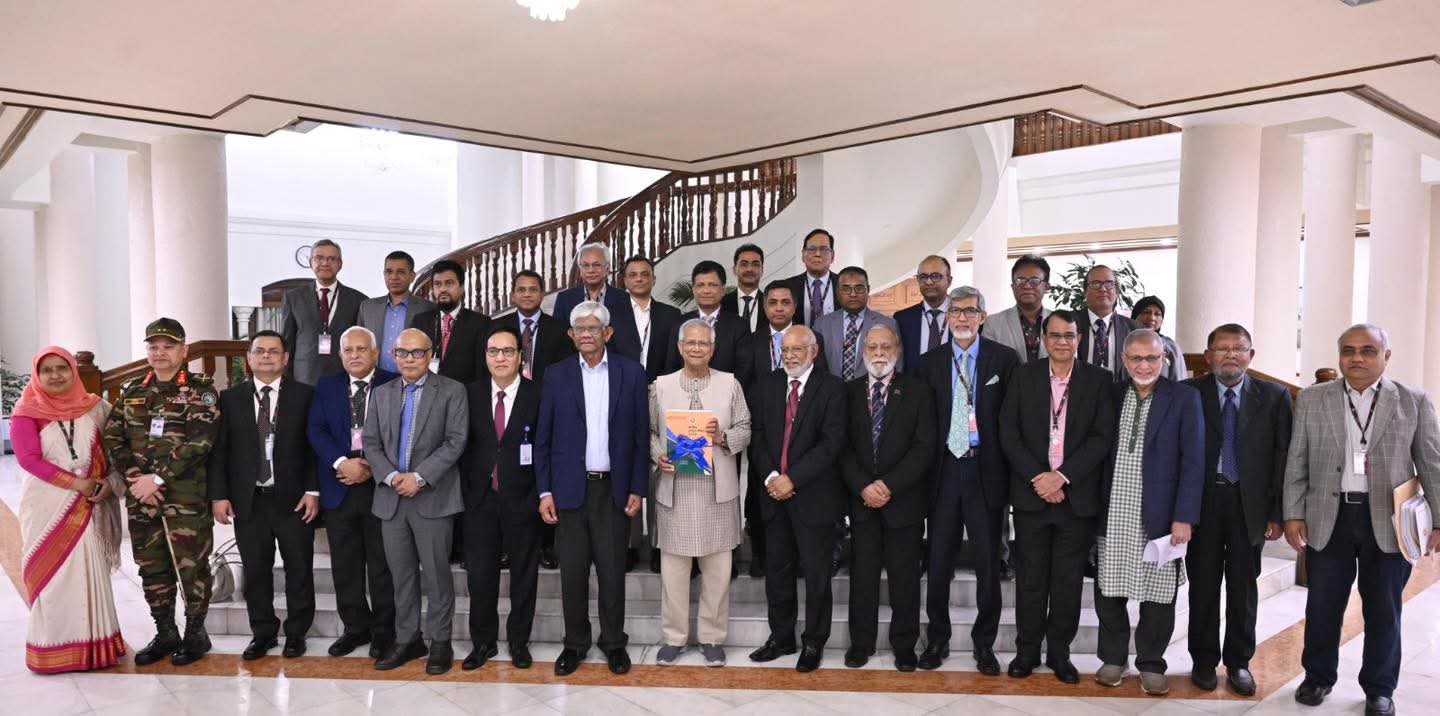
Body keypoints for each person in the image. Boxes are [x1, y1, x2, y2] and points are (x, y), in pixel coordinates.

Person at [1283, 324, 1440, 716]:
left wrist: (1438, 520)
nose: (1357, 358)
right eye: (1349, 350)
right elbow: (1297, 460)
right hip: (1329, 516)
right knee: (1322, 606)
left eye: (1368, 350)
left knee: (1384, 609)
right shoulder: (1313, 398)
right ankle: (1317, 677)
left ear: (1386, 356)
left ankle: (1380, 688)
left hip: (1389, 521)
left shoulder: (1413, 401)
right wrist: (1293, 513)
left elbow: (1432, 463)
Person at [999, 310, 1115, 683]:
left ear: (1079, 339)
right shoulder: (1023, 375)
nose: (1062, 342)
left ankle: (1059, 654)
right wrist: (1039, 477)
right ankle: (1027, 651)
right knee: (1030, 579)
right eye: (1055, 335)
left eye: (1069, 335)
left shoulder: (1099, 380)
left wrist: (1062, 477)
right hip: (1031, 494)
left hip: (1075, 498)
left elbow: (1101, 437)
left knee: (1067, 582)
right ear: (1043, 339)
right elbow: (1008, 431)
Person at [535, 301, 649, 676]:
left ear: (607, 333)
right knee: (573, 574)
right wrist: (545, 491)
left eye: (593, 328)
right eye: (580, 329)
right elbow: (544, 438)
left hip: (613, 490)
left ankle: (614, 643)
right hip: (568, 490)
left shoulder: (631, 373)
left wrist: (638, 487)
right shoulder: (556, 374)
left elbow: (640, 437)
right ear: (571, 335)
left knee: (613, 572)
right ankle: (575, 644)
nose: (586, 334)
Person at [103, 318, 221, 667]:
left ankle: (196, 633)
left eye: (168, 346)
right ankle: (165, 631)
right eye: (153, 346)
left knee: (191, 566)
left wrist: (157, 479)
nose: (160, 352)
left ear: (184, 351)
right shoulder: (131, 391)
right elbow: (113, 438)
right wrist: (137, 479)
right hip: (142, 498)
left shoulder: (201, 391)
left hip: (185, 497)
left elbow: (200, 442)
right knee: (151, 566)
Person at [1092, 330, 1204, 696]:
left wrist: (1184, 516)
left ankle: (1152, 663)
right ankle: (1113, 658)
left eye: (1152, 358)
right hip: (1114, 511)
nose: (1144, 365)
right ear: (1124, 361)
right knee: (1109, 590)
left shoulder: (1184, 398)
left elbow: (1194, 461)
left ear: (1164, 360)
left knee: (1158, 594)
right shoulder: (1110, 394)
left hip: (1161, 516)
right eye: (1136, 358)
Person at [1183, 323, 1293, 696]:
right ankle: (1202, 661)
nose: (1230, 354)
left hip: (1250, 505)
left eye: (1239, 348)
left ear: (1251, 355)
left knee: (1244, 588)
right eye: (1222, 348)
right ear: (1208, 355)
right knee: (1203, 585)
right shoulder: (1188, 393)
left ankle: (1239, 662)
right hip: (1203, 503)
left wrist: (1277, 513)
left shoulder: (1275, 396)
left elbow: (1282, 457)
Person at [919, 287, 1019, 674]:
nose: (962, 317)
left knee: (988, 563)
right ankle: (937, 639)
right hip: (944, 471)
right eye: (955, 311)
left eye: (970, 311)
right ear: (946, 318)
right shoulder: (928, 363)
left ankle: (984, 643)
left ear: (982, 316)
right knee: (939, 561)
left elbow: (1012, 419)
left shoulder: (1003, 360)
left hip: (985, 471)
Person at [12, 347, 125, 673]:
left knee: (89, 571)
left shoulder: (96, 407)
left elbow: (118, 449)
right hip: (47, 504)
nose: (55, 375)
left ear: (73, 370)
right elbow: (28, 460)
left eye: (61, 368)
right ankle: (53, 649)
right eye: (46, 370)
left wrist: (107, 484)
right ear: (37, 374)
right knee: (53, 577)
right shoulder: (26, 411)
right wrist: (78, 484)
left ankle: (96, 646)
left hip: (89, 505)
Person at [208, 331, 319, 660]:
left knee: (299, 568)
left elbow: (315, 449)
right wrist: (219, 495)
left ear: (285, 358)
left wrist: (313, 490)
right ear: (249, 358)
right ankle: (263, 632)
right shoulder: (230, 399)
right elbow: (220, 452)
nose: (266, 356)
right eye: (260, 351)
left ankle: (296, 633)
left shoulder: (305, 396)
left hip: (295, 499)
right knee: (256, 570)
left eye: (273, 351)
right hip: (249, 500)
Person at [364, 328, 469, 675]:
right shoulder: (381, 393)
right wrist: (392, 477)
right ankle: (408, 638)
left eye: (417, 352)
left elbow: (455, 441)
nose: (409, 359)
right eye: (403, 353)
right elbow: (370, 442)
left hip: (433, 498)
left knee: (437, 576)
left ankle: (440, 641)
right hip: (391, 498)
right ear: (393, 356)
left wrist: (419, 477)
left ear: (430, 354)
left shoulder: (452, 391)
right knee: (401, 576)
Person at [649, 319, 752, 667]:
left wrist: (722, 436)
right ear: (680, 348)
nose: (696, 348)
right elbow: (649, 431)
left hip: (716, 492)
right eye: (690, 343)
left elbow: (745, 428)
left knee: (718, 572)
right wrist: (658, 456)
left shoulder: (730, 384)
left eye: (703, 343)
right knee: (674, 573)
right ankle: (674, 637)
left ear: (713, 349)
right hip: (676, 490)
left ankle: (711, 638)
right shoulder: (661, 386)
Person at [747, 326, 847, 673]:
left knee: (817, 576)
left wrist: (793, 478)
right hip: (774, 496)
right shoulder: (767, 386)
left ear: (813, 351)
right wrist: (772, 478)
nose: (789, 356)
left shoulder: (833, 388)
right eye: (785, 349)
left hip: (814, 498)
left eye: (797, 350)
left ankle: (814, 641)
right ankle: (781, 637)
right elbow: (757, 437)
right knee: (777, 573)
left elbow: (832, 444)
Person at [841, 324, 935, 671]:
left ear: (897, 350)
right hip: (862, 501)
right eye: (872, 347)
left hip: (903, 501)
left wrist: (888, 486)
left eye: (886, 346)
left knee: (904, 578)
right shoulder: (848, 392)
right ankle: (860, 643)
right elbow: (841, 447)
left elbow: (924, 447)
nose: (879, 353)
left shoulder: (918, 391)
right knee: (862, 577)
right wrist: (864, 486)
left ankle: (905, 645)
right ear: (862, 351)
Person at [306, 325, 397, 659]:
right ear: (340, 354)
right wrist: (342, 462)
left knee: (382, 565)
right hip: (339, 485)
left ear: (375, 353)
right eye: (348, 350)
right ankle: (355, 627)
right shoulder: (327, 386)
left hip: (380, 487)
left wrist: (371, 466)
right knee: (345, 565)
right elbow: (316, 430)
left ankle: (384, 632)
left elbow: (401, 432)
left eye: (361, 349)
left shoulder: (393, 383)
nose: (355, 355)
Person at [459, 325, 541, 670]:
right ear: (486, 357)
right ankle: (483, 642)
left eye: (508, 351)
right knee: (480, 576)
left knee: (524, 574)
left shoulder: (538, 394)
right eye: (494, 351)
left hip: (523, 497)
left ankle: (519, 642)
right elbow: (461, 445)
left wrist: (541, 494)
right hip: (480, 499)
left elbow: (546, 446)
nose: (500, 358)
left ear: (520, 356)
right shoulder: (470, 393)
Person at [494, 269, 573, 569]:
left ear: (542, 294)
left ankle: (546, 545)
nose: (527, 294)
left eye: (533, 289)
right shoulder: (497, 327)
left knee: (542, 475)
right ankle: (505, 545)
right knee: (508, 474)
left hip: (545, 408)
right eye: (521, 289)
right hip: (507, 408)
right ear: (513, 294)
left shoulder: (559, 329)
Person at [281, 239, 367, 385]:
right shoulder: (294, 298)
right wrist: (286, 381)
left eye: (331, 258)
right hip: (303, 377)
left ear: (340, 264)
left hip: (343, 377)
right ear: (310, 262)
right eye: (319, 258)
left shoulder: (358, 300)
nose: (325, 263)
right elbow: (287, 343)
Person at [552, 242, 641, 361]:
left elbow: (629, 343)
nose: (591, 270)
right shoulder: (565, 299)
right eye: (585, 265)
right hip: (575, 364)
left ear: (607, 268)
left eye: (596, 265)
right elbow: (557, 342)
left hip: (612, 364)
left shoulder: (623, 298)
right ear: (580, 269)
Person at [813, 266, 901, 382]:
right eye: (846, 289)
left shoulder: (888, 324)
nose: (853, 294)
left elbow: (897, 365)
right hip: (830, 390)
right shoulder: (822, 324)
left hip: (870, 389)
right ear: (837, 292)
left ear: (868, 289)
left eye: (859, 288)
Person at [412, 259, 491, 387]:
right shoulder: (420, 321)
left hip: (464, 394)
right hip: (425, 393)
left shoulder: (481, 324)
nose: (443, 289)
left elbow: (482, 372)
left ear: (461, 287)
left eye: (449, 283)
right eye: (438, 284)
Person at [358, 250, 436, 374]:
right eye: (389, 272)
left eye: (400, 272)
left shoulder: (427, 308)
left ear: (412, 276)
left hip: (412, 377)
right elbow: (359, 345)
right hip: (375, 378)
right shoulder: (367, 307)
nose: (394, 277)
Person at [682, 261, 755, 388]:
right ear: (693, 290)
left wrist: (724, 393)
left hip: (727, 394)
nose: (706, 290)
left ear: (723, 289)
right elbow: (671, 366)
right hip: (686, 394)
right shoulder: (680, 323)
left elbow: (744, 368)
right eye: (700, 285)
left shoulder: (739, 325)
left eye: (712, 285)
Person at [621, 255, 683, 382]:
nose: (639, 279)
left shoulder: (671, 314)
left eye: (645, 274)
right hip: (622, 385)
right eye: (633, 275)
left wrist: (661, 384)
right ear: (625, 281)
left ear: (653, 280)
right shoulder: (612, 314)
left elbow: (674, 356)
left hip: (660, 387)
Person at [1076, 264, 1138, 383]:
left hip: (1119, 392)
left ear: (1117, 292)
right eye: (1095, 284)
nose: (1103, 289)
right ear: (1085, 291)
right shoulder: (1070, 323)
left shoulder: (1133, 329)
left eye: (1109, 284)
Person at [985, 255, 1052, 364]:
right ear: (1012, 287)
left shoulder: (1061, 323)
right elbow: (989, 364)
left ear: (1047, 287)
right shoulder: (993, 323)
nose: (1027, 286)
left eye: (1034, 281)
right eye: (1020, 280)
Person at [893, 255, 953, 373]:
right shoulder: (902, 319)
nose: (928, 282)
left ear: (949, 280)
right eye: (923, 277)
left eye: (935, 276)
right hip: (914, 383)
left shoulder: (965, 317)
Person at [782, 229, 840, 326]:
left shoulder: (843, 285)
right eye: (812, 249)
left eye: (824, 249)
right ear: (803, 255)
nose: (817, 254)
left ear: (832, 256)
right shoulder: (788, 286)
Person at [1130, 296, 1184, 382]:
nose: (1152, 318)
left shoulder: (1170, 346)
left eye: (1157, 314)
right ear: (1135, 316)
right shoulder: (1123, 342)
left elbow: (1179, 381)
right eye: (1146, 312)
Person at [721, 243, 766, 332]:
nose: (749, 269)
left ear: (762, 271)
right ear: (734, 270)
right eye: (744, 264)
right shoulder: (721, 304)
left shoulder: (770, 304)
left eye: (755, 264)